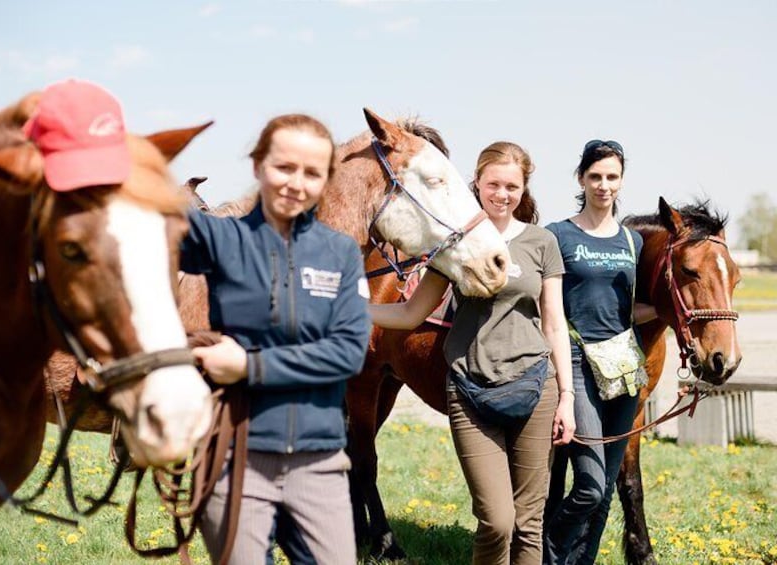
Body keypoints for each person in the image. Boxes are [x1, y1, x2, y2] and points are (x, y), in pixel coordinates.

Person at [369, 141, 576, 565]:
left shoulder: (542, 242)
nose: (502, 194)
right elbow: (410, 313)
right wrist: (347, 308)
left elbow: (554, 323)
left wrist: (568, 399)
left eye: (512, 186)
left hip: (537, 388)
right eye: (494, 184)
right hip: (470, 390)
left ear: (524, 189)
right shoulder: (453, 243)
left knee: (528, 524)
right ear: (477, 185)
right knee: (496, 520)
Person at [180, 114, 372, 565]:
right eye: (284, 167)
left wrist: (249, 366)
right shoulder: (218, 237)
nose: (296, 183)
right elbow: (131, 233)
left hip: (319, 463)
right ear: (257, 166)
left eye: (312, 173)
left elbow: (346, 353)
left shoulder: (341, 253)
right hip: (234, 457)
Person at [542, 139, 656, 564]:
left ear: (621, 180)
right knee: (589, 483)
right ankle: (547, 555)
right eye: (595, 176)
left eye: (611, 176)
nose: (603, 185)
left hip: (622, 365)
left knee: (606, 489)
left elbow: (629, 310)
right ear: (581, 179)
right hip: (575, 362)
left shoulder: (632, 242)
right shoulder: (558, 235)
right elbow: (549, 308)